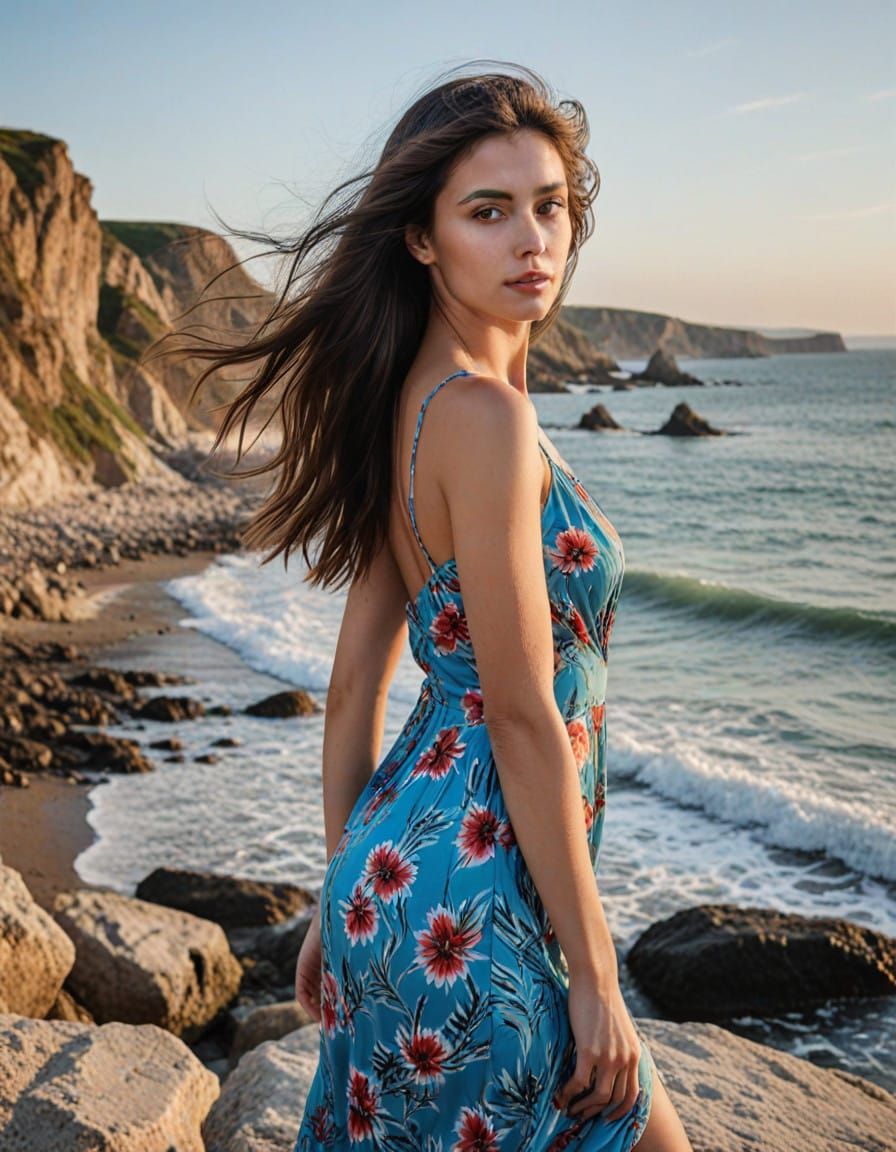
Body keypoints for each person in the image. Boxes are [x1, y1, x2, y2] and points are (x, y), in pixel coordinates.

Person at [170, 61, 693, 1151]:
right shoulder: (485, 419)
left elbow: (355, 686)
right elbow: (518, 711)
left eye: (548, 206)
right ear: (421, 238)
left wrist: (340, 893)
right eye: (487, 212)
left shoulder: (412, 404)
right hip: (476, 900)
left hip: (396, 885)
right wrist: (597, 982)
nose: (530, 240)